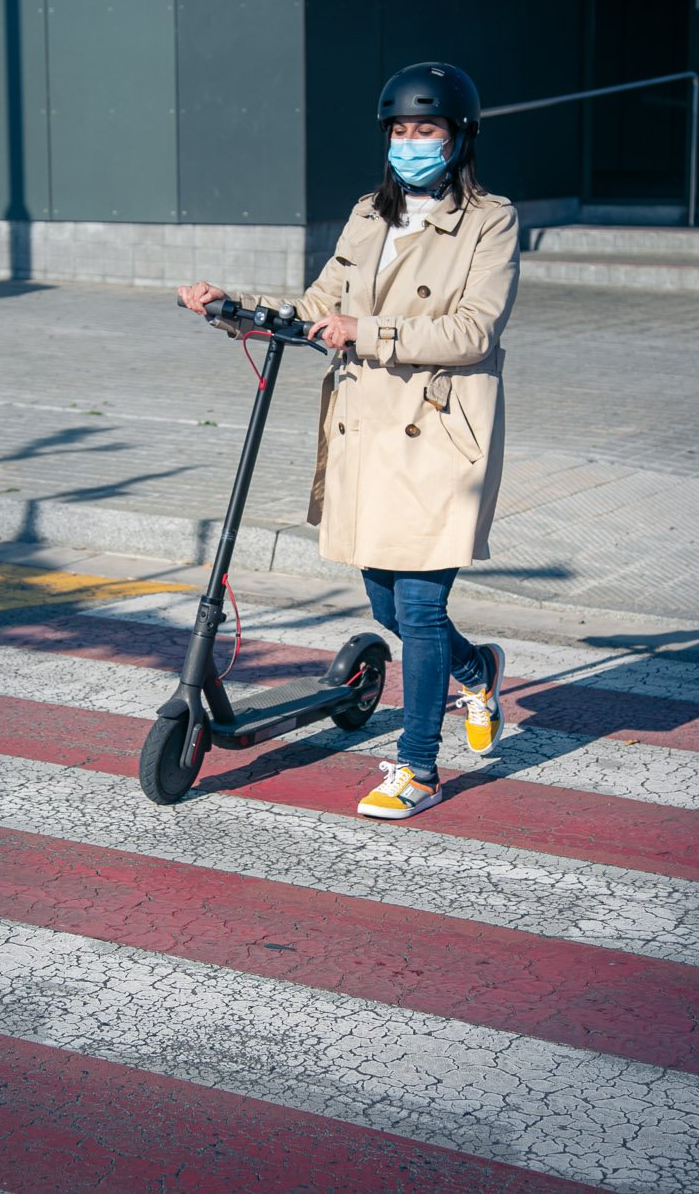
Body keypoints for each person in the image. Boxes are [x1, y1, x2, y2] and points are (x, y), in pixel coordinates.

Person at [176, 61, 517, 821]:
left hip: (437, 433)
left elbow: (472, 329)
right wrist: (232, 307)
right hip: (365, 433)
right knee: (391, 610)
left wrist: (369, 331)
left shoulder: (491, 220)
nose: (410, 143)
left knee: (422, 609)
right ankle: (478, 671)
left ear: (459, 137)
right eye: (399, 130)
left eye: (425, 130)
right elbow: (317, 305)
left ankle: (418, 766)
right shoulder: (370, 214)